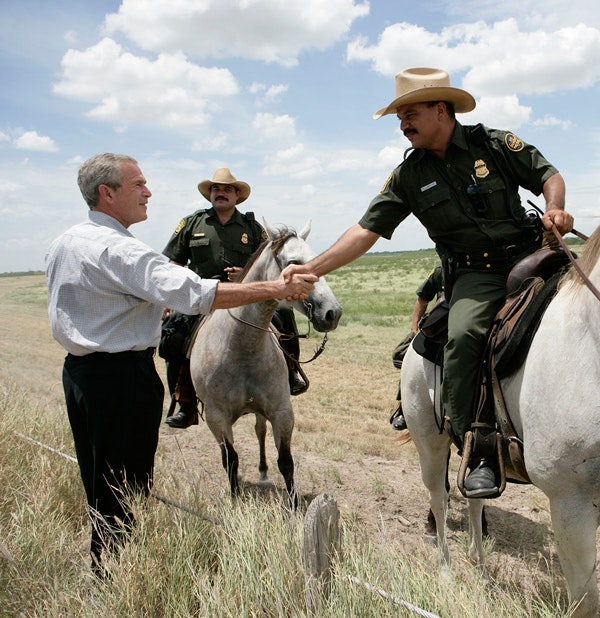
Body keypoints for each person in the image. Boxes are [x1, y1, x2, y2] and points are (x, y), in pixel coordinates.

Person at [283, 68, 573, 499]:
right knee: (464, 335)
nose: (403, 125)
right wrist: (315, 269)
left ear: (441, 110)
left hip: (534, 253)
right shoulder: (408, 177)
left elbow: (548, 175)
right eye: (400, 117)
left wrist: (556, 208)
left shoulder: (492, 144)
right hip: (478, 273)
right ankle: (480, 446)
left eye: (409, 114)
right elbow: (365, 231)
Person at [45, 153, 316, 573]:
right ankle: (186, 398)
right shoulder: (142, 243)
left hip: (81, 373)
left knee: (102, 477)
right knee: (176, 348)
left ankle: (290, 375)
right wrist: (274, 287)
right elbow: (184, 283)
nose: (148, 191)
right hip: (128, 369)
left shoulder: (64, 241)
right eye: (139, 184)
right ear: (107, 192)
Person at [161, 167, 307, 429]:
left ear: (237, 195)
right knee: (174, 333)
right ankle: (185, 402)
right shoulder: (192, 223)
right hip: (204, 296)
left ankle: (292, 373)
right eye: (216, 189)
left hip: (246, 296)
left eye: (227, 189)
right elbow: (174, 261)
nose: (221, 193)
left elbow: (267, 261)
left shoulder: (252, 228)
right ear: (210, 195)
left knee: (284, 314)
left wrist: (244, 274)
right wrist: (179, 292)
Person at [390, 263, 444, 430]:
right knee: (407, 355)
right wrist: (414, 328)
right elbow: (423, 298)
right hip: (442, 320)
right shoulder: (440, 271)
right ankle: (404, 409)